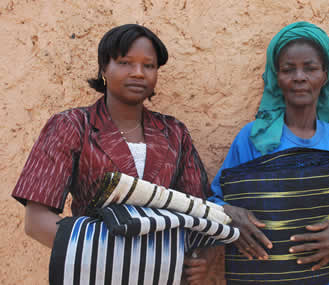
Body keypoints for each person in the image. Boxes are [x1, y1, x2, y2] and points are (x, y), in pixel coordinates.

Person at [12, 24, 209, 284]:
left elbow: (198, 212)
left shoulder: (174, 133)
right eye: (125, 62)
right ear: (104, 69)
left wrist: (198, 256)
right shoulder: (72, 126)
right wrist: (118, 257)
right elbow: (36, 222)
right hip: (94, 273)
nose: (138, 73)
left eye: (148, 66)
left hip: (163, 277)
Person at [208, 21, 329, 284]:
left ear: (325, 75)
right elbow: (215, 202)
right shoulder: (253, 140)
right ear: (277, 77)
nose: (299, 77)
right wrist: (229, 214)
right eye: (288, 69)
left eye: (310, 68)